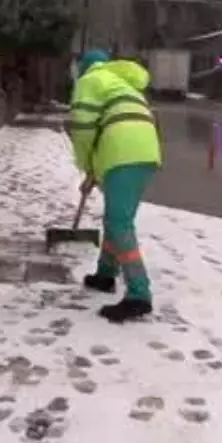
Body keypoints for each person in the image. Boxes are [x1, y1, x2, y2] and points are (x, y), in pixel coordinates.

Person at [69, 49, 162, 323]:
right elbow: (109, 128)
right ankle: (105, 274)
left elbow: (84, 130)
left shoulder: (91, 81)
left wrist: (86, 166)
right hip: (145, 151)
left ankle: (139, 295)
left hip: (123, 151)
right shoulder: (119, 81)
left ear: (84, 68)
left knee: (119, 222)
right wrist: (94, 174)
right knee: (117, 220)